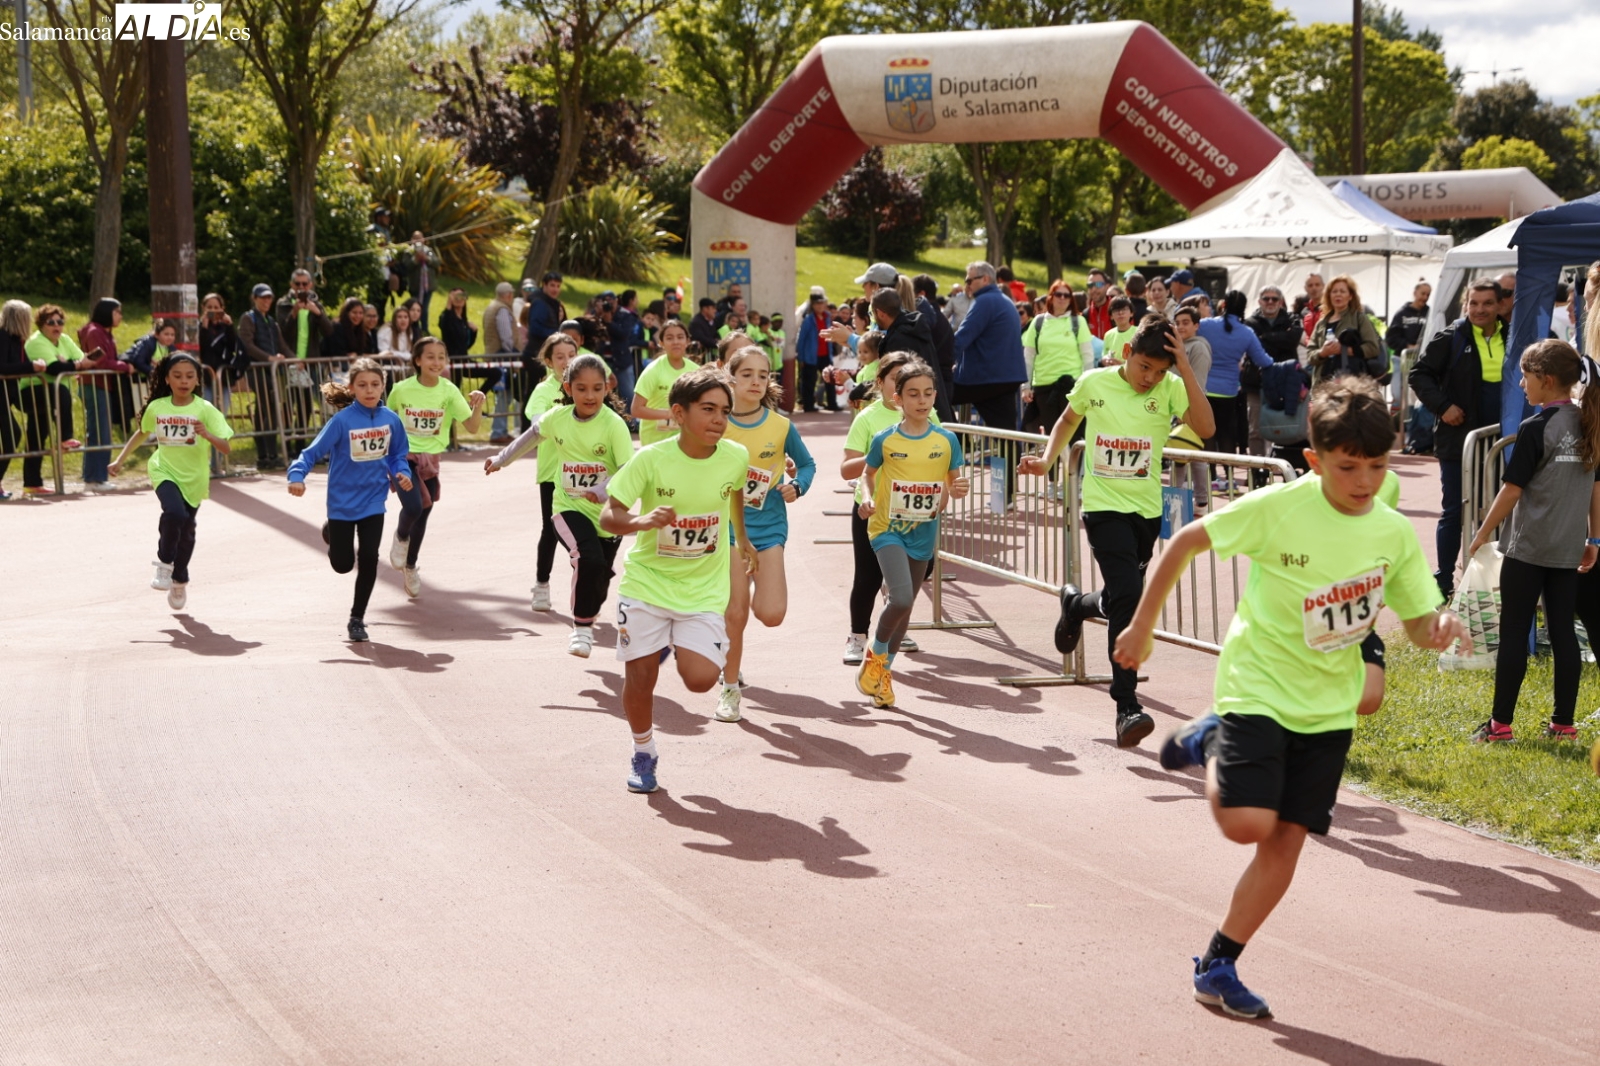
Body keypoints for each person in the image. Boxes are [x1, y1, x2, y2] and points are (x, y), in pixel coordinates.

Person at [1125, 376, 1463, 1020]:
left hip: (1328, 708)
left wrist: (1437, 628)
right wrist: (1142, 625)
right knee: (1245, 823)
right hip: (1257, 687)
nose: (1363, 481)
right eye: (1347, 467)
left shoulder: (1390, 532)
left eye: (1376, 466)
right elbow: (1190, 540)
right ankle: (1216, 733)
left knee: (1284, 843)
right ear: (1314, 459)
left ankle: (1220, 962)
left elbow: (1419, 625)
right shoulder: (1280, 506)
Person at [1022, 316, 1214, 746]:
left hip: (1145, 512)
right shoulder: (1095, 383)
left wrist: (1182, 368)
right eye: (1145, 366)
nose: (1150, 378)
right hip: (1103, 506)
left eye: (1160, 371)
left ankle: (1076, 605)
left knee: (1119, 599)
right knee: (1128, 595)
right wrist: (1048, 460)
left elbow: (1206, 428)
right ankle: (1127, 705)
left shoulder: (1170, 387)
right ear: (1128, 354)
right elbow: (1067, 423)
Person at [600, 367, 757, 793]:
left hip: (703, 588)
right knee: (640, 676)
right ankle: (643, 751)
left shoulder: (735, 456)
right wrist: (639, 521)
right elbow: (608, 514)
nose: (719, 420)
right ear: (678, 413)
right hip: (648, 583)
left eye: (725, 411)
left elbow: (735, 491)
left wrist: (741, 538)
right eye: (708, 409)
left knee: (701, 679)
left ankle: (667, 646)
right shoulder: (650, 459)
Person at [1464, 340, 1600, 743]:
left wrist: (1482, 532)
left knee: (1514, 633)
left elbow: (1511, 490)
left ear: (1546, 379)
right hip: (1569, 550)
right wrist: (1593, 537)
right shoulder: (1590, 423)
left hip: (1527, 550)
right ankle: (1563, 725)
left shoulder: (1535, 427)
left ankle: (1499, 726)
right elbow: (1596, 487)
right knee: (1562, 633)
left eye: (1525, 376)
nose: (1521, 384)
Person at [487, 353, 633, 656]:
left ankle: (588, 608)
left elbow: (628, 470)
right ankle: (581, 629)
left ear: (606, 388)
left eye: (596, 388)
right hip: (568, 506)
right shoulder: (557, 418)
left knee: (599, 578)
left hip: (606, 515)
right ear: (568, 389)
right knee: (587, 558)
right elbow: (528, 438)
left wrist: (603, 489)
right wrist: (500, 460)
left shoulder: (614, 425)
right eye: (581, 388)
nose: (589, 395)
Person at [856, 361, 970, 708]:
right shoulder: (885, 439)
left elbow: (953, 483)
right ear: (897, 399)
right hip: (887, 528)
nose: (921, 401)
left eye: (927, 393)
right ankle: (874, 655)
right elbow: (866, 475)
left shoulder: (947, 440)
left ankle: (882, 675)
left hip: (924, 532)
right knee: (901, 599)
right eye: (913, 394)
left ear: (935, 396)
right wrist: (866, 498)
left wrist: (958, 489)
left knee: (905, 610)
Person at [715, 346, 816, 721]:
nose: (756, 381)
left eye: (763, 375)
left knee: (771, 614)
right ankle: (729, 689)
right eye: (747, 375)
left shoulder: (780, 425)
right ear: (731, 378)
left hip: (769, 524)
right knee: (735, 613)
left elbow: (806, 464)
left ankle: (728, 615)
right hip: (725, 528)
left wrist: (797, 485)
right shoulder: (716, 422)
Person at [287, 358, 413, 643]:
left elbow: (397, 455)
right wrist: (297, 475)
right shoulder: (342, 421)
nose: (369, 390)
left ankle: (357, 618)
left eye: (375, 384)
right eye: (363, 385)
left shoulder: (391, 420)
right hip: (342, 502)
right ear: (353, 388)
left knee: (369, 557)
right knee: (343, 565)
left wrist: (402, 473)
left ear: (383, 386)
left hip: (373, 501)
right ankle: (332, 532)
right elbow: (311, 452)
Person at [107, 354, 234, 610]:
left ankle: (179, 579)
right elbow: (141, 433)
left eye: (189, 376)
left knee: (186, 532)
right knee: (173, 513)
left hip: (194, 477)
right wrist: (120, 460)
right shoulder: (158, 407)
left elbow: (226, 448)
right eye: (177, 376)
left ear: (197, 380)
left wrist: (207, 434)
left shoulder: (205, 409)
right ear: (167, 379)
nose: (183, 381)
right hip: (163, 469)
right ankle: (164, 565)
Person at [1408, 278, 1508, 598]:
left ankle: (1497, 578)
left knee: (1503, 508)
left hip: (1504, 441)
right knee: (1455, 510)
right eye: (1473, 303)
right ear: (1465, 304)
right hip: (1459, 441)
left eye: (1487, 303)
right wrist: (1443, 406)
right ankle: (1443, 581)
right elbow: (1418, 375)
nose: (1479, 310)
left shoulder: (1514, 335)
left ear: (1499, 305)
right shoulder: (1451, 337)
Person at [384, 336, 486, 597]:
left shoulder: (449, 391)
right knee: (416, 505)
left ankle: (410, 565)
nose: (437, 362)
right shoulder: (401, 389)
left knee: (424, 514)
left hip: (432, 461)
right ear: (417, 360)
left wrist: (479, 404)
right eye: (430, 356)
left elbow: (473, 427)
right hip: (403, 458)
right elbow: (386, 421)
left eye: (441, 357)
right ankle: (401, 537)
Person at [951, 261, 1026, 498]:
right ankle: (1006, 494)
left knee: (932, 397)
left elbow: (963, 336)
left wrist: (939, 363)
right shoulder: (1004, 300)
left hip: (982, 379)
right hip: (1005, 377)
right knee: (1006, 436)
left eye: (969, 279)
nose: (967, 285)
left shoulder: (985, 301)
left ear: (985, 279)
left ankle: (956, 443)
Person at [519, 333, 580, 613]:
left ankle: (585, 583)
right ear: (548, 361)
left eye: (572, 354)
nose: (567, 361)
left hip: (584, 470)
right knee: (552, 529)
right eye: (560, 356)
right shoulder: (544, 392)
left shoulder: (584, 386)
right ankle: (541, 585)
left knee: (585, 530)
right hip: (552, 473)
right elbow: (536, 427)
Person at [19, 304, 89, 495]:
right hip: (32, 392)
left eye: (60, 322)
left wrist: (67, 364)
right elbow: (53, 368)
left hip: (53, 391)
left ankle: (32, 483)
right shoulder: (36, 341)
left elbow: (82, 360)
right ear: (41, 324)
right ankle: (65, 437)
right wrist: (69, 365)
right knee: (59, 391)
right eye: (51, 322)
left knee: (37, 434)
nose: (57, 326)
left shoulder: (64, 339)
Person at [1022, 281, 1094, 442]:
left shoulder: (1078, 322)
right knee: (1051, 436)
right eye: (1058, 294)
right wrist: (1025, 386)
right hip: (1043, 387)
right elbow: (1028, 357)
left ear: (1071, 299)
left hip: (1072, 387)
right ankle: (1053, 468)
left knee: (1075, 436)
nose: (1062, 298)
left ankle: (1074, 468)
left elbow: (1087, 357)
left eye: (1066, 295)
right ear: (1051, 297)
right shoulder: (1038, 322)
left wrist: (1088, 387)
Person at [77, 298, 132, 487]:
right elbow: (100, 360)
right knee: (99, 432)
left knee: (101, 431)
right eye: (117, 312)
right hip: (94, 385)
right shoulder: (95, 332)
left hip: (102, 385)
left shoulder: (104, 333)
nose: (120, 316)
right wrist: (125, 366)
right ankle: (94, 478)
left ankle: (96, 477)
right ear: (107, 312)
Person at [238, 283, 288, 468]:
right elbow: (247, 344)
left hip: (271, 371)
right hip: (255, 369)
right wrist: (269, 358)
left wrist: (297, 360)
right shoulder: (248, 318)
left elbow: (282, 345)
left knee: (265, 409)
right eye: (262, 297)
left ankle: (266, 456)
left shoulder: (272, 322)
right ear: (255, 298)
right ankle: (268, 454)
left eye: (269, 298)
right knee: (270, 407)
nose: (266, 301)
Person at [1171, 305, 1213, 511]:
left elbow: (1198, 381)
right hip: (1173, 408)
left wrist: (1186, 410)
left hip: (1189, 409)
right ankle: (1186, 499)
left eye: (1186, 322)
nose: (1180, 327)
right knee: (1184, 453)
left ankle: (1196, 500)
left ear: (1197, 325)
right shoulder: (1176, 346)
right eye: (1177, 323)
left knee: (1189, 452)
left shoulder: (1199, 348)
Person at [632, 317, 696, 447]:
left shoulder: (696, 371)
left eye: (680, 337)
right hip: (655, 443)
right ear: (661, 343)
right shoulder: (653, 370)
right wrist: (669, 414)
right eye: (669, 338)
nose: (675, 342)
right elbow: (636, 409)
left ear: (688, 341)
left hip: (685, 442)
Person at [1307, 276, 1382, 386]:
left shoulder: (1359, 318)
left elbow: (1373, 348)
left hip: (1352, 384)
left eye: (1342, 291)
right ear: (1329, 296)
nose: (1338, 294)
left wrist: (1345, 350)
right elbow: (1310, 355)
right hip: (1323, 386)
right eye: (1334, 291)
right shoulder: (1321, 323)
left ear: (1350, 296)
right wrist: (1322, 352)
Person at [0, 299, 36, 498]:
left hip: (7, 395)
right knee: (12, 435)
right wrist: (31, 367)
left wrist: (37, 366)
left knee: (11, 436)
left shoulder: (17, 340)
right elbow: (3, 367)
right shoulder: (3, 337)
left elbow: (24, 364)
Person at [911, 273, 957, 423]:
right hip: (942, 382)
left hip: (935, 384)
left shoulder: (926, 321)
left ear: (922, 294)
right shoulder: (939, 318)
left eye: (912, 294)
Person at [480, 282, 518, 443]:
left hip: (494, 356)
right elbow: (506, 336)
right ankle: (498, 431)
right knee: (504, 394)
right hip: (503, 358)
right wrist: (512, 354)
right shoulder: (502, 310)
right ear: (508, 295)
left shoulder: (491, 307)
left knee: (502, 395)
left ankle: (499, 429)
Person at [794, 294, 836, 414]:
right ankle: (808, 405)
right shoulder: (808, 319)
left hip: (825, 354)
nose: (820, 306)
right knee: (809, 381)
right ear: (813, 305)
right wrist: (801, 357)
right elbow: (801, 339)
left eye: (822, 303)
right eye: (817, 303)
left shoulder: (827, 317)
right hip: (811, 356)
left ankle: (832, 404)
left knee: (830, 379)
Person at [1385, 281, 1432, 359]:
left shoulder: (1430, 313)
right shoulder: (1402, 313)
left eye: (1428, 295)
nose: (1425, 298)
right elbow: (1391, 338)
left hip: (1423, 359)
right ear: (1415, 293)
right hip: (1402, 359)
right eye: (1423, 294)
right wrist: (1409, 346)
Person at [438, 288, 476, 357]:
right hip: (452, 359)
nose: (459, 299)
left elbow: (466, 345)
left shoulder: (463, 320)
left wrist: (473, 332)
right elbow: (445, 324)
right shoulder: (446, 316)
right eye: (456, 297)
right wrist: (449, 304)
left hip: (463, 359)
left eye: (462, 296)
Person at [1100, 296, 1138, 366]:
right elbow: (1104, 355)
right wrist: (1106, 360)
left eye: (1124, 309)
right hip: (1112, 374)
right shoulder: (1108, 335)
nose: (1120, 313)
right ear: (1111, 316)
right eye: (1116, 310)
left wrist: (1122, 365)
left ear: (1131, 313)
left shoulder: (1139, 332)